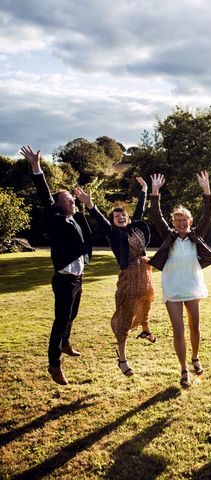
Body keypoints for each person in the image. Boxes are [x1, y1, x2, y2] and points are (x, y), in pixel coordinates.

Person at [21, 145, 92, 386]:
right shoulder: (56, 217)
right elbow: (44, 195)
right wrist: (36, 167)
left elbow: (85, 240)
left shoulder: (73, 217)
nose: (73, 201)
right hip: (64, 279)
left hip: (78, 277)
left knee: (72, 315)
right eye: (69, 199)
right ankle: (54, 363)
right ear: (59, 204)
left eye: (73, 199)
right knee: (60, 320)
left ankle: (65, 343)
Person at [77, 177, 156, 377]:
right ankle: (122, 359)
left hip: (145, 276)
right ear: (113, 221)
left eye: (123, 215)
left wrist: (145, 190)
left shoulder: (135, 229)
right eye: (116, 216)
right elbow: (102, 222)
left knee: (146, 303)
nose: (121, 217)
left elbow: (139, 211)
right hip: (129, 278)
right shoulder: (113, 234)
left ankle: (145, 330)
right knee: (125, 319)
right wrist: (90, 204)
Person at [148, 172, 211, 387]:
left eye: (184, 220)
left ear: (190, 221)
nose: (180, 223)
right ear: (173, 222)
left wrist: (206, 191)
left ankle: (195, 357)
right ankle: (184, 369)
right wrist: (155, 193)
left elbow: (207, 215)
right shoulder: (168, 236)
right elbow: (156, 216)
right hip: (172, 286)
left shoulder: (196, 236)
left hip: (192, 285)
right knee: (178, 329)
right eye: (177, 220)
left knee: (194, 326)